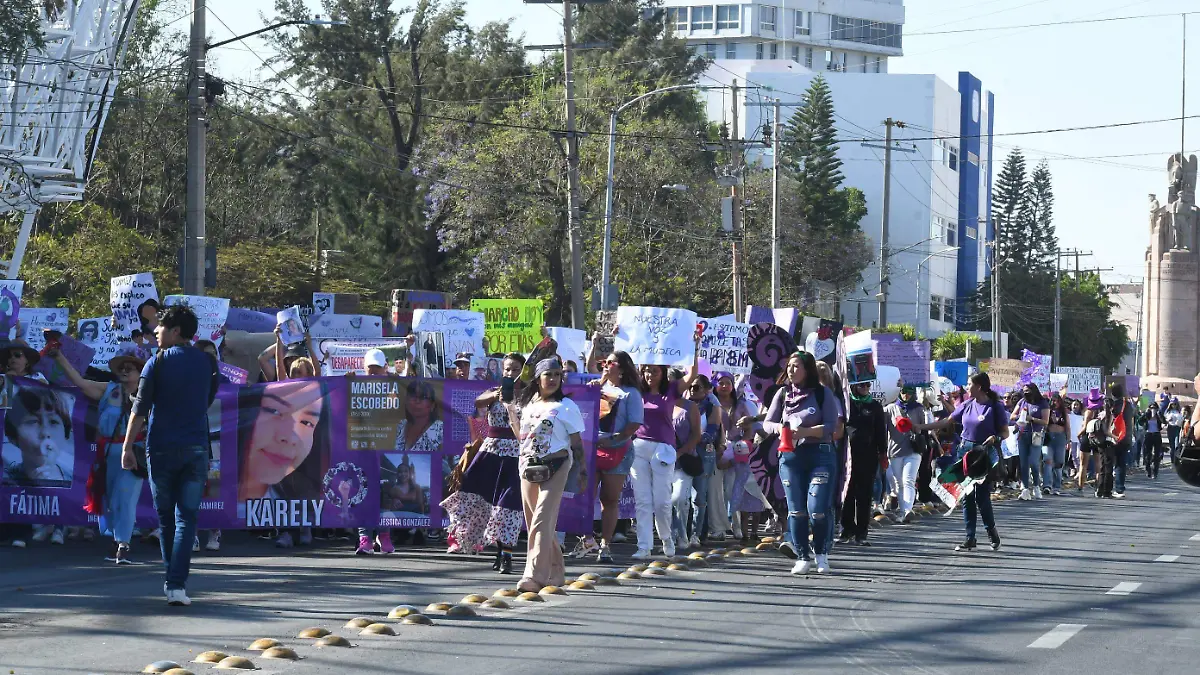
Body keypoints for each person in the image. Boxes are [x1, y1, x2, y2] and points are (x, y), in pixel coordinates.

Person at [122, 305, 218, 606]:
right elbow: (207, 400)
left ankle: (171, 582)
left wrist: (126, 448)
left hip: (161, 448)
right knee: (187, 519)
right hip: (195, 448)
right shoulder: (207, 362)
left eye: (160, 327)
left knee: (166, 520)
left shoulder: (157, 362)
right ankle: (177, 585)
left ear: (175, 331)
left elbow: (139, 409)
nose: (155, 332)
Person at [50, 343, 146, 563]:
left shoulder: (149, 394)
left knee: (125, 497)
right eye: (122, 366)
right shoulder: (108, 389)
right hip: (106, 455)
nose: (124, 370)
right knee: (110, 498)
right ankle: (116, 539)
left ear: (141, 371)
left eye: (130, 367)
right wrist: (59, 357)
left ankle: (124, 544)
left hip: (133, 454)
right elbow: (80, 382)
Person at [747, 350, 840, 575]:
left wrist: (806, 431)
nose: (791, 370)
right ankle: (802, 556)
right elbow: (767, 423)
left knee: (817, 509)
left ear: (807, 370)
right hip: (790, 458)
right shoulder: (782, 393)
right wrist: (780, 428)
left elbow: (831, 426)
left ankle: (821, 553)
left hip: (820, 454)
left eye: (796, 366)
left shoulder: (822, 394)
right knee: (796, 511)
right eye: (789, 366)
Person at [441, 353, 527, 573]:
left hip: (515, 455)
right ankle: (497, 549)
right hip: (491, 452)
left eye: (515, 369)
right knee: (484, 503)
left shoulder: (528, 397)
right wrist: (498, 395)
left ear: (523, 371)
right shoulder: (494, 392)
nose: (510, 373)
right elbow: (478, 402)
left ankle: (506, 554)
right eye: (507, 369)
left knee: (508, 505)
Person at [505, 357, 584, 592]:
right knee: (536, 523)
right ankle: (556, 572)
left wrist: (583, 471)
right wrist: (510, 409)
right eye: (548, 374)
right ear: (538, 378)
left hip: (557, 464)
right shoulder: (528, 405)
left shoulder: (567, 406)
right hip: (528, 465)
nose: (552, 379)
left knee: (541, 518)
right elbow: (523, 437)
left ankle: (534, 576)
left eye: (557, 375)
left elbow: (577, 443)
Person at [630, 333, 701, 559]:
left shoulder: (671, 390)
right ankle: (644, 546)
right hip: (639, 448)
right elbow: (611, 371)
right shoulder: (636, 390)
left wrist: (695, 346)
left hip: (663, 450)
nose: (650, 375)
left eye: (655, 371)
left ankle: (666, 538)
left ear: (663, 372)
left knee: (661, 502)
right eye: (647, 370)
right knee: (642, 501)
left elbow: (692, 375)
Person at [924, 372, 1009, 552]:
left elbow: (1005, 432)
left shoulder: (995, 406)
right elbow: (947, 421)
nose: (966, 387)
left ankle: (991, 532)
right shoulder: (967, 404)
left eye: (970, 383)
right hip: (964, 452)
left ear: (979, 386)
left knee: (981, 496)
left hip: (984, 454)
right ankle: (970, 537)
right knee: (966, 496)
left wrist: (996, 438)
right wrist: (921, 427)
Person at [587, 350, 643, 562]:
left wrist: (611, 440)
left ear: (621, 368)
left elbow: (634, 424)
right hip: (594, 448)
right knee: (586, 496)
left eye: (611, 362)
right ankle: (587, 539)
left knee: (609, 499)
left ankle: (605, 545)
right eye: (605, 362)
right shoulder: (598, 387)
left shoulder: (631, 393)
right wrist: (595, 387)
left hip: (617, 450)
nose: (606, 365)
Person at [840, 380, 886, 545]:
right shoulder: (846, 404)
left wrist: (883, 453)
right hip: (848, 456)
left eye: (868, 386)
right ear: (853, 386)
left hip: (868, 456)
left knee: (864, 494)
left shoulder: (875, 406)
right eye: (862, 386)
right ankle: (847, 529)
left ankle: (862, 533)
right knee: (847, 493)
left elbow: (881, 431)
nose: (865, 388)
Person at [713, 372, 758, 542]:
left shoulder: (741, 404)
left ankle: (737, 526)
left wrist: (742, 446)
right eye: (721, 383)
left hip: (737, 450)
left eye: (727, 383)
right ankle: (720, 526)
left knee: (734, 491)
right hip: (716, 449)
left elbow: (750, 429)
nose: (724, 386)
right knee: (718, 492)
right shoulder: (711, 403)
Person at [884, 385, 924, 524]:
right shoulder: (889, 408)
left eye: (910, 392)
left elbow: (923, 428)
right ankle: (902, 511)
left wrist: (914, 427)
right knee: (899, 483)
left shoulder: (918, 408)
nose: (906, 395)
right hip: (895, 450)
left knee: (909, 480)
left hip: (913, 450)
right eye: (904, 392)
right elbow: (884, 428)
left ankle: (906, 510)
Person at [1012, 383, 1050, 501]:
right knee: (1023, 462)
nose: (1026, 393)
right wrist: (1020, 416)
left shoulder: (1042, 403)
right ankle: (1025, 489)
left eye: (1028, 391)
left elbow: (1045, 421)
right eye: (1024, 391)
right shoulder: (1022, 402)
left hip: (1036, 435)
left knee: (1033, 461)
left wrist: (1032, 419)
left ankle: (1037, 486)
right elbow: (1012, 415)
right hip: (1023, 434)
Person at [1042, 391, 1070, 495]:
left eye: (1056, 400)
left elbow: (1067, 427)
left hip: (1060, 438)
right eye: (1053, 400)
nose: (1054, 402)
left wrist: (1068, 440)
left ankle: (1056, 486)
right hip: (1049, 437)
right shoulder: (1047, 411)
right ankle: (1047, 485)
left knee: (1059, 463)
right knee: (1047, 461)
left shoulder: (1064, 412)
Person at [1141, 402, 1166, 479]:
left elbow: (1164, 422)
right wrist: (1145, 414)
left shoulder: (1158, 415)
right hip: (1148, 435)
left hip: (1156, 435)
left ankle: (1155, 472)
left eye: (1154, 408)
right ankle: (1148, 470)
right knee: (1147, 454)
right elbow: (1140, 421)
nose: (1153, 409)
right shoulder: (1147, 415)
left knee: (1157, 454)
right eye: (1151, 408)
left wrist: (1159, 415)